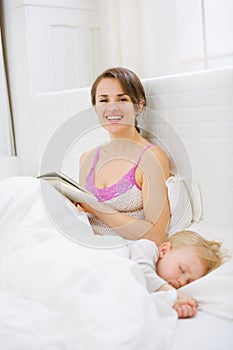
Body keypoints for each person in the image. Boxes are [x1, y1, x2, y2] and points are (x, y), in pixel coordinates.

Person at [76, 67, 170, 245]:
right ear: (95, 107)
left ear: (139, 105)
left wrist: (95, 207)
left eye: (122, 99)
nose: (112, 107)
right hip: (85, 245)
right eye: (103, 100)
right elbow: (85, 217)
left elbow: (157, 235)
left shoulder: (151, 158)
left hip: (122, 251)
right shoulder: (87, 159)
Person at [126, 230, 228, 318]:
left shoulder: (158, 288)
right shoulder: (146, 247)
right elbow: (141, 272)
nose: (182, 282)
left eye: (188, 282)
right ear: (164, 250)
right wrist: (175, 295)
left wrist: (178, 307)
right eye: (182, 270)